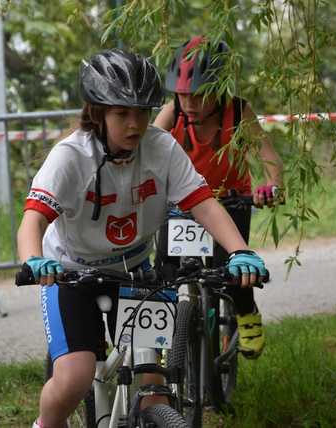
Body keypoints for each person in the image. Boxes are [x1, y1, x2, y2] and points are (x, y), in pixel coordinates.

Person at [17, 48, 269, 428]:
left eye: (142, 112)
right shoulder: (71, 156)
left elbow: (203, 204)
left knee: (155, 384)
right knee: (74, 377)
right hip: (71, 272)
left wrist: (240, 251)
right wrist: (35, 260)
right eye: (122, 113)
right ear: (98, 112)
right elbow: (33, 221)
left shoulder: (162, 148)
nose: (135, 124)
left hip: (135, 270)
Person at [153, 35, 284, 360]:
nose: (190, 103)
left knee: (233, 270)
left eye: (199, 95)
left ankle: (247, 312)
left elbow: (268, 156)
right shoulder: (173, 113)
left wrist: (273, 185)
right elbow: (148, 152)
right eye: (183, 95)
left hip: (230, 200)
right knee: (165, 272)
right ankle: (158, 339)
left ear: (219, 89)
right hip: (183, 204)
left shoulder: (238, 111)